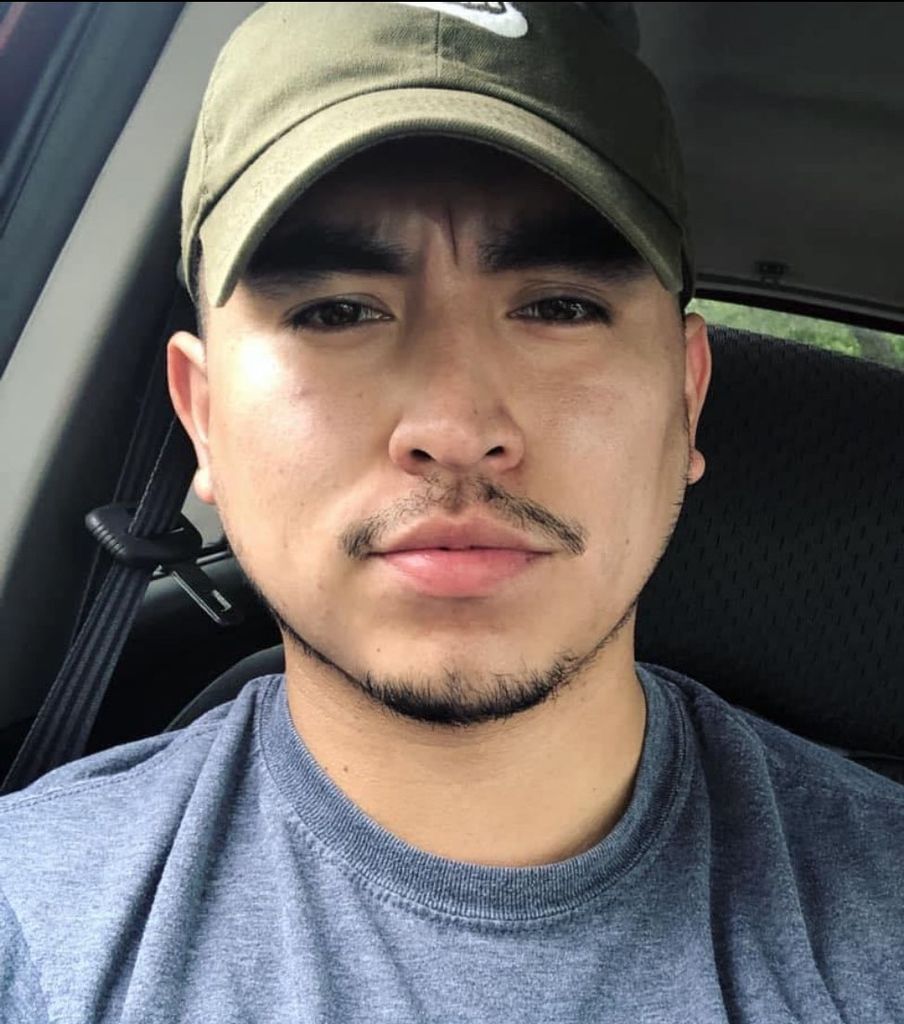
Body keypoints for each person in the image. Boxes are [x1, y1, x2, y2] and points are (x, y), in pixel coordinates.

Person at [1, 4, 901, 1022]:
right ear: (203, 420)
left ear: (685, 400)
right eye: (335, 311)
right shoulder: (29, 923)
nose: (457, 428)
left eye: (561, 306)